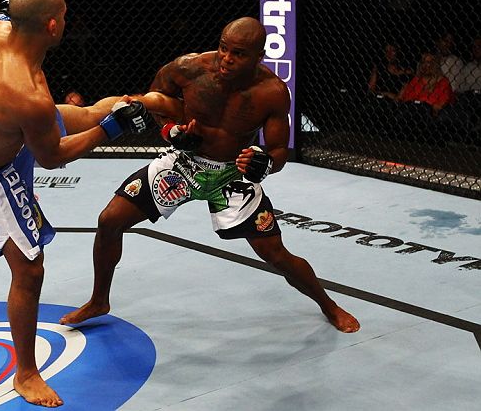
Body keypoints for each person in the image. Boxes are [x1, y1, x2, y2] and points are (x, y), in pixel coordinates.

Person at [60, 18, 361, 337]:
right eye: (223, 48)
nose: (227, 59)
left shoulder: (272, 92)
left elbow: (277, 151)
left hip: (232, 174)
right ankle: (98, 301)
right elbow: (156, 101)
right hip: (184, 163)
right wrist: (172, 132)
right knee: (109, 220)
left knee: (275, 254)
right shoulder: (189, 68)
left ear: (260, 56)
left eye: (239, 54)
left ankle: (329, 305)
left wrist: (265, 164)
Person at [0, 0, 150, 408]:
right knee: (30, 271)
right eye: (66, 16)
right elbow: (52, 157)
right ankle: (25, 373)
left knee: (93, 110)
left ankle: (132, 108)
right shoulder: (28, 95)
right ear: (53, 25)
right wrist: (109, 131)